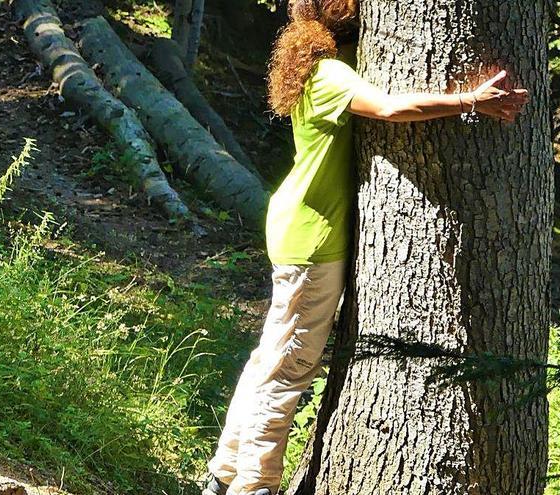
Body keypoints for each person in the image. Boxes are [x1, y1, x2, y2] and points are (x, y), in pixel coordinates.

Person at [204, 1, 529, 494]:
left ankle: (222, 472)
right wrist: (471, 101)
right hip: (313, 236)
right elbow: (392, 109)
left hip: (298, 224)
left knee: (269, 357)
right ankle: (253, 485)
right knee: (290, 367)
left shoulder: (318, 68)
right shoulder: (330, 74)